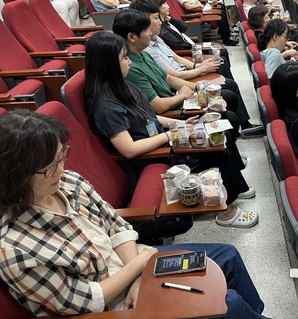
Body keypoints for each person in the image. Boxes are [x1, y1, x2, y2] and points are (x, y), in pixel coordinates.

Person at [0, 109, 269, 318]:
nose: (60, 169)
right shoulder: (15, 248)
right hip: (115, 306)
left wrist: (140, 274)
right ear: (14, 177)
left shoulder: (68, 181)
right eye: (48, 167)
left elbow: (115, 226)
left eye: (61, 157)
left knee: (229, 256)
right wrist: (140, 267)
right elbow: (89, 299)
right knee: (229, 304)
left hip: (132, 265)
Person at [84, 31, 258, 227]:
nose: (129, 62)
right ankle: (227, 214)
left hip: (161, 138)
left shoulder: (123, 86)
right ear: (108, 65)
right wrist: (170, 134)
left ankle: (234, 189)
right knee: (220, 154)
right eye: (124, 58)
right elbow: (129, 149)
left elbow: (149, 117)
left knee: (217, 135)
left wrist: (180, 125)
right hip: (154, 154)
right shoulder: (106, 106)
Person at [129, 0, 261, 134]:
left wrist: (198, 73)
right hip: (177, 97)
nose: (160, 21)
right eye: (156, 18)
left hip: (181, 87)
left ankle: (242, 127)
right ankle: (241, 128)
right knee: (229, 97)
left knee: (222, 68)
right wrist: (198, 75)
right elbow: (162, 99)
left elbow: (172, 68)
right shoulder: (141, 55)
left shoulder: (146, 51)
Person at [147, 0, 233, 69]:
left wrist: (169, 19)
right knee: (222, 55)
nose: (168, 6)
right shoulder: (162, 30)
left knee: (222, 52)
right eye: (165, 4)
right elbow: (179, 46)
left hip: (191, 48)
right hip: (189, 53)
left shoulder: (166, 22)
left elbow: (184, 27)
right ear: (157, 8)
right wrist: (199, 47)